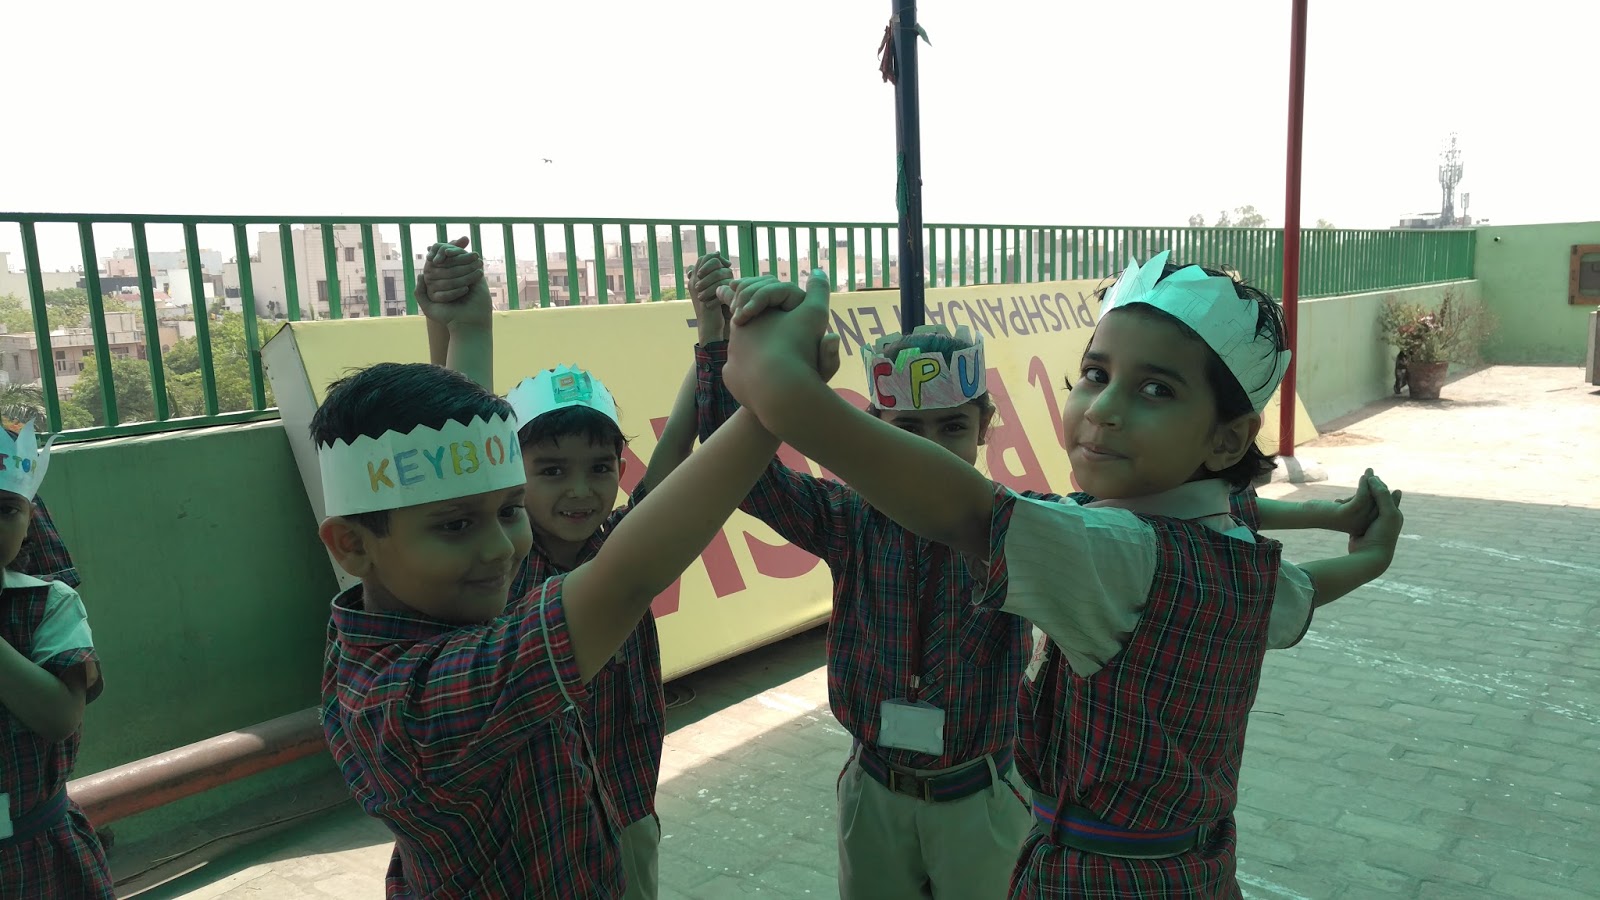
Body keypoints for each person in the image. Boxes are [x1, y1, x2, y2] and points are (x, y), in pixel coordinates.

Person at [716, 254, 1404, 898]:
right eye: (1095, 375)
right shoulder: (1226, 560)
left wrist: (774, 371)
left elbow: (964, 508)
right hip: (1190, 866)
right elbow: (1290, 587)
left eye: (1156, 389)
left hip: (1068, 856)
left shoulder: (1089, 548)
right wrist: (1360, 549)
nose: (1102, 409)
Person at [312, 273, 834, 897]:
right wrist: (774, 401)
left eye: (509, 510)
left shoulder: (431, 602)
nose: (499, 548)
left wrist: (467, 328)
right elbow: (627, 578)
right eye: (456, 526)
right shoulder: (410, 703)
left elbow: (454, 472)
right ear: (352, 545)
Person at [415, 240, 736, 899]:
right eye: (552, 470)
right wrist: (451, 326)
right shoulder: (497, 573)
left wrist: (712, 330)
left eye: (599, 468)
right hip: (530, 835)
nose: (581, 491)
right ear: (511, 474)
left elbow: (681, 437)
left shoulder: (625, 546)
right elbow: (457, 456)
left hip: (624, 812)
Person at [0, 422, 114, 898]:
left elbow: (60, 717)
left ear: (30, 522)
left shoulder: (49, 604)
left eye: (5, 510)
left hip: (37, 854)